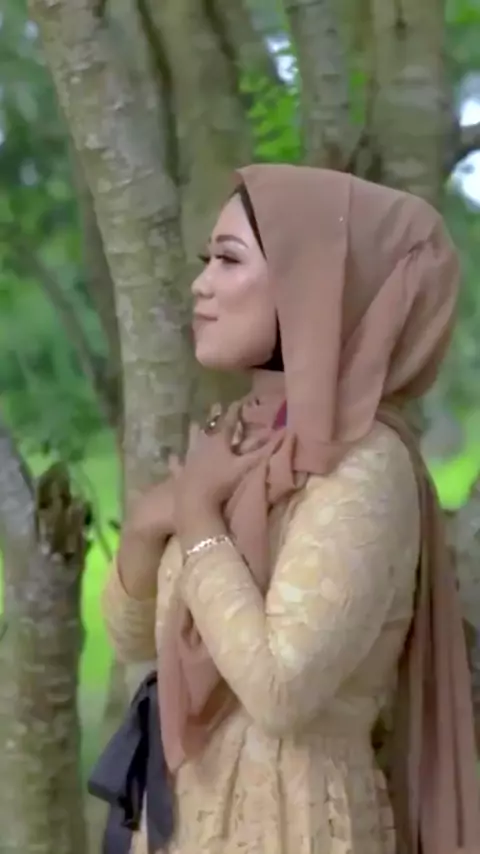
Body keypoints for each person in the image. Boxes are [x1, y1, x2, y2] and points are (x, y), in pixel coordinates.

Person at [100, 164, 480, 854]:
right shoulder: (236, 436)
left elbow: (279, 690)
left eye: (228, 260)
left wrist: (197, 516)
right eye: (206, 260)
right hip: (185, 817)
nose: (201, 284)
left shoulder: (364, 466)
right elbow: (132, 639)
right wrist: (155, 523)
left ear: (313, 289)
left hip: (295, 822)